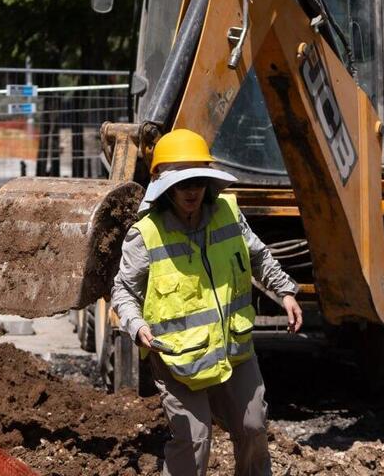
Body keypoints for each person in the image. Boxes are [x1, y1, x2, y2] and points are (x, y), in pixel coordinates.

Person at [111, 128, 303, 476]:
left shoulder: (228, 213)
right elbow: (123, 291)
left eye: (197, 182)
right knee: (194, 440)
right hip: (177, 358)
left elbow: (258, 256)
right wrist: (137, 327)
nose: (191, 191)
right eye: (183, 184)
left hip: (234, 347)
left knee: (253, 426)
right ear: (165, 187)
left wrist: (285, 291)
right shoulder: (146, 235)